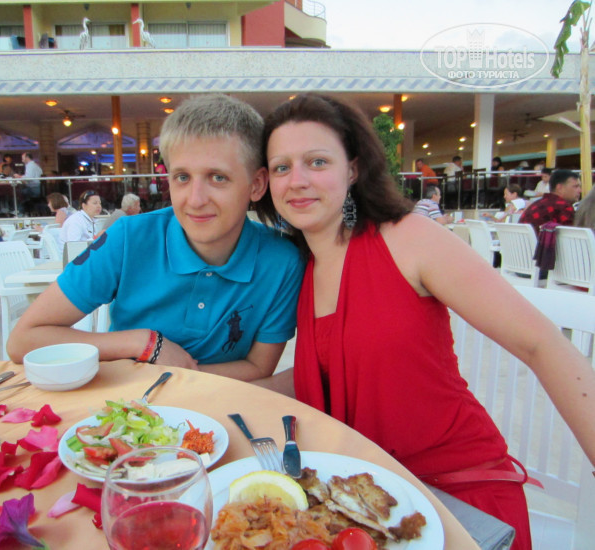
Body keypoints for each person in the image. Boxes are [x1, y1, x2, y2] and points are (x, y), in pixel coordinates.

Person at [254, 93, 595, 550]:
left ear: (353, 169)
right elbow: (332, 367)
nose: (297, 180)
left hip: (460, 497)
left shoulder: (408, 238)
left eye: (317, 162)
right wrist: (216, 389)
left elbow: (541, 344)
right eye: (282, 167)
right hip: (372, 501)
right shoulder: (304, 268)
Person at [8, 94, 304, 382]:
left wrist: (175, 376)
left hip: (215, 407)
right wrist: (143, 342)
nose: (195, 200)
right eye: (182, 177)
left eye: (218, 177)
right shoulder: (128, 238)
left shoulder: (282, 261)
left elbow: (258, 366)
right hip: (126, 406)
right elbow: (23, 340)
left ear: (256, 184)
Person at [519, 169, 581, 233]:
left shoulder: (535, 205)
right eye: (575, 186)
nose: (580, 190)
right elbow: (573, 235)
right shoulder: (563, 207)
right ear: (559, 188)